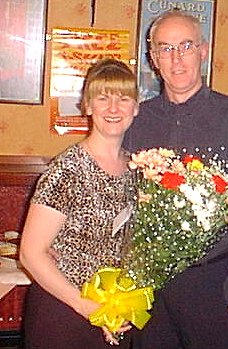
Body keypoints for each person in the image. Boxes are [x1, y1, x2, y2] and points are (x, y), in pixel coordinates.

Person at [123, 10, 228, 349]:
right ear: (153, 58)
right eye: (165, 48)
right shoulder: (138, 120)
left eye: (185, 46)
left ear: (203, 51)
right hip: (151, 287)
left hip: (213, 286)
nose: (176, 58)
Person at [20, 58, 139, 349]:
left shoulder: (136, 169)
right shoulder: (67, 170)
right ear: (87, 106)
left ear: (135, 108)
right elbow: (30, 254)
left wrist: (113, 309)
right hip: (64, 314)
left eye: (123, 99)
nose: (113, 108)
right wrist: (85, 306)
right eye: (102, 98)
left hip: (113, 312)